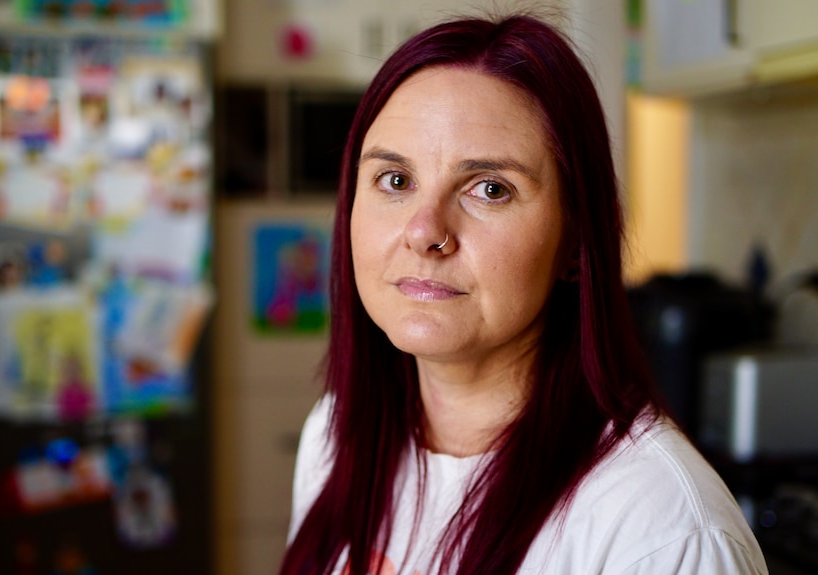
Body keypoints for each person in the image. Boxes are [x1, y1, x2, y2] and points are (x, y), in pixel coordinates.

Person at [280, 13, 768, 575]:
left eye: (490, 189)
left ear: (577, 242)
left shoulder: (663, 532)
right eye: (395, 180)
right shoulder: (336, 435)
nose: (424, 231)